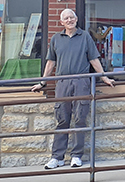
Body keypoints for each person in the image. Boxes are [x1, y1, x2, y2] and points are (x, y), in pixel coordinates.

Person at [31, 9, 115, 169]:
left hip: (81, 82)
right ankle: (57, 157)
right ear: (61, 22)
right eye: (66, 18)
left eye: (72, 17)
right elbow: (51, 63)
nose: (69, 20)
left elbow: (94, 59)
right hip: (61, 83)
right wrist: (42, 83)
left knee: (80, 119)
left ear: (76, 19)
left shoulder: (85, 37)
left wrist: (104, 77)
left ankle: (76, 156)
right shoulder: (56, 39)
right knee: (62, 120)